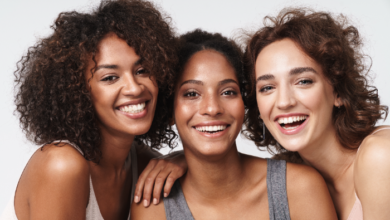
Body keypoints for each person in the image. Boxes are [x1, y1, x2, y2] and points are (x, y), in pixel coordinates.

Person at [0, 0, 187, 219]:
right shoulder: (61, 165)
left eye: (142, 70)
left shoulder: (146, 164)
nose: (135, 88)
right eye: (110, 77)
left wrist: (186, 160)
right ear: (77, 91)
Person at [131, 29, 337, 220]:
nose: (212, 109)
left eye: (228, 92)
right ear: (170, 110)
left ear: (245, 102)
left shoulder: (299, 188)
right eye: (191, 94)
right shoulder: (153, 207)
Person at [243, 8, 390, 220]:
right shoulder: (289, 175)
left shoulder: (380, 155)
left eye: (303, 81)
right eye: (267, 87)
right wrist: (183, 159)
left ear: (338, 91)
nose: (284, 102)